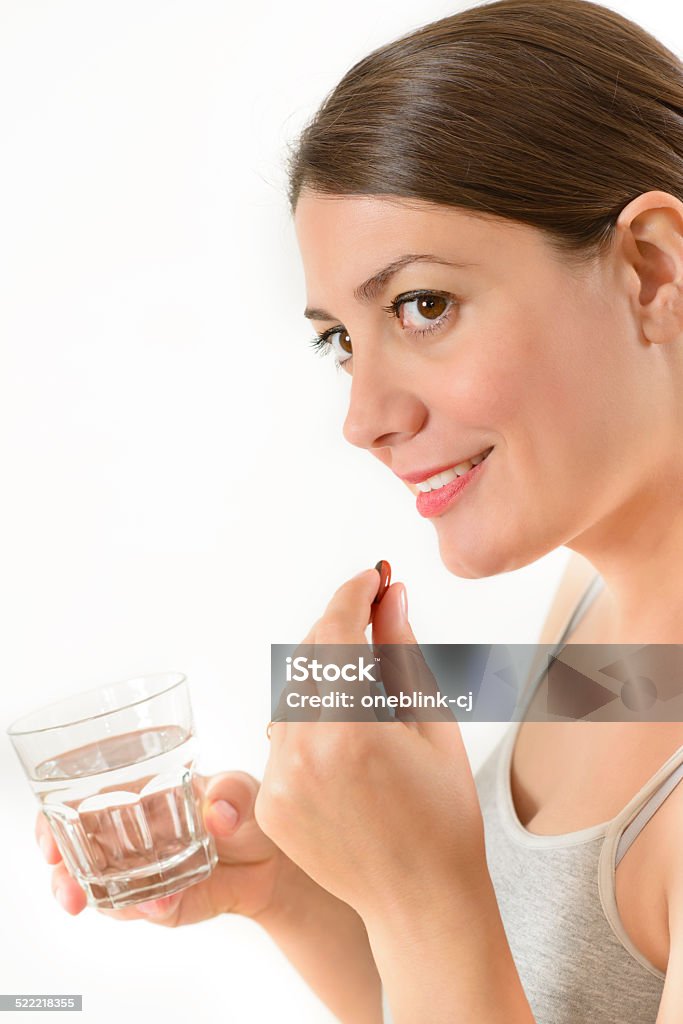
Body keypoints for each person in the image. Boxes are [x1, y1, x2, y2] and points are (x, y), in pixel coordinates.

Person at [34, 0, 683, 1020]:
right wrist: (293, 891)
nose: (362, 419)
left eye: (422, 305)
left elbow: (456, 953)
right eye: (339, 337)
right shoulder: (592, 593)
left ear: (650, 266)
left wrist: (418, 894)